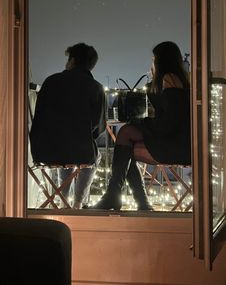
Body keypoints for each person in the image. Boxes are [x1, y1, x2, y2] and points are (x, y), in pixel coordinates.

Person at [92, 41, 191, 210]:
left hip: (175, 144)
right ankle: (135, 201)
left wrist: (143, 123)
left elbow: (170, 121)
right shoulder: (179, 80)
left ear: (161, 60)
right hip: (179, 140)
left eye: (154, 58)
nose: (152, 62)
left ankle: (121, 198)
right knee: (126, 141)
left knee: (125, 136)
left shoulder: (170, 80)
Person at [30, 42, 106, 209]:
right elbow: (98, 129)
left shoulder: (50, 82)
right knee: (89, 153)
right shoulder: (96, 88)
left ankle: (63, 199)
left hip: (43, 151)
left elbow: (40, 118)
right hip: (78, 152)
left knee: (67, 148)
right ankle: (78, 203)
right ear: (91, 65)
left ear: (72, 60)